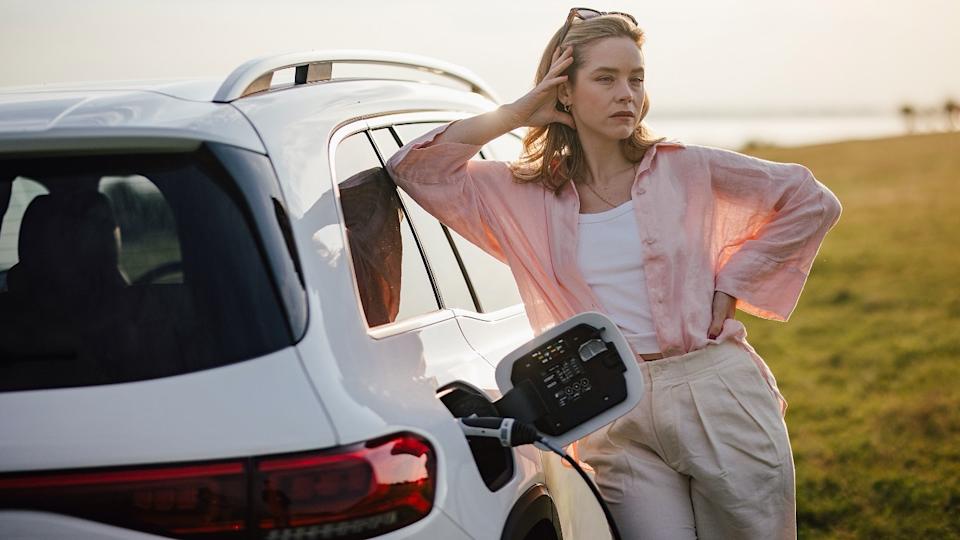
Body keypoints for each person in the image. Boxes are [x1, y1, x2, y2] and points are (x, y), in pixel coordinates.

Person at [386, 8, 841, 539]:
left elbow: (810, 200)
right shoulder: (521, 193)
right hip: (608, 406)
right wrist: (514, 114)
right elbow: (414, 169)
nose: (627, 93)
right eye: (605, 78)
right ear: (564, 92)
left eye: (636, 78)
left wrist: (734, 283)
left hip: (714, 389)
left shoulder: (686, 167)